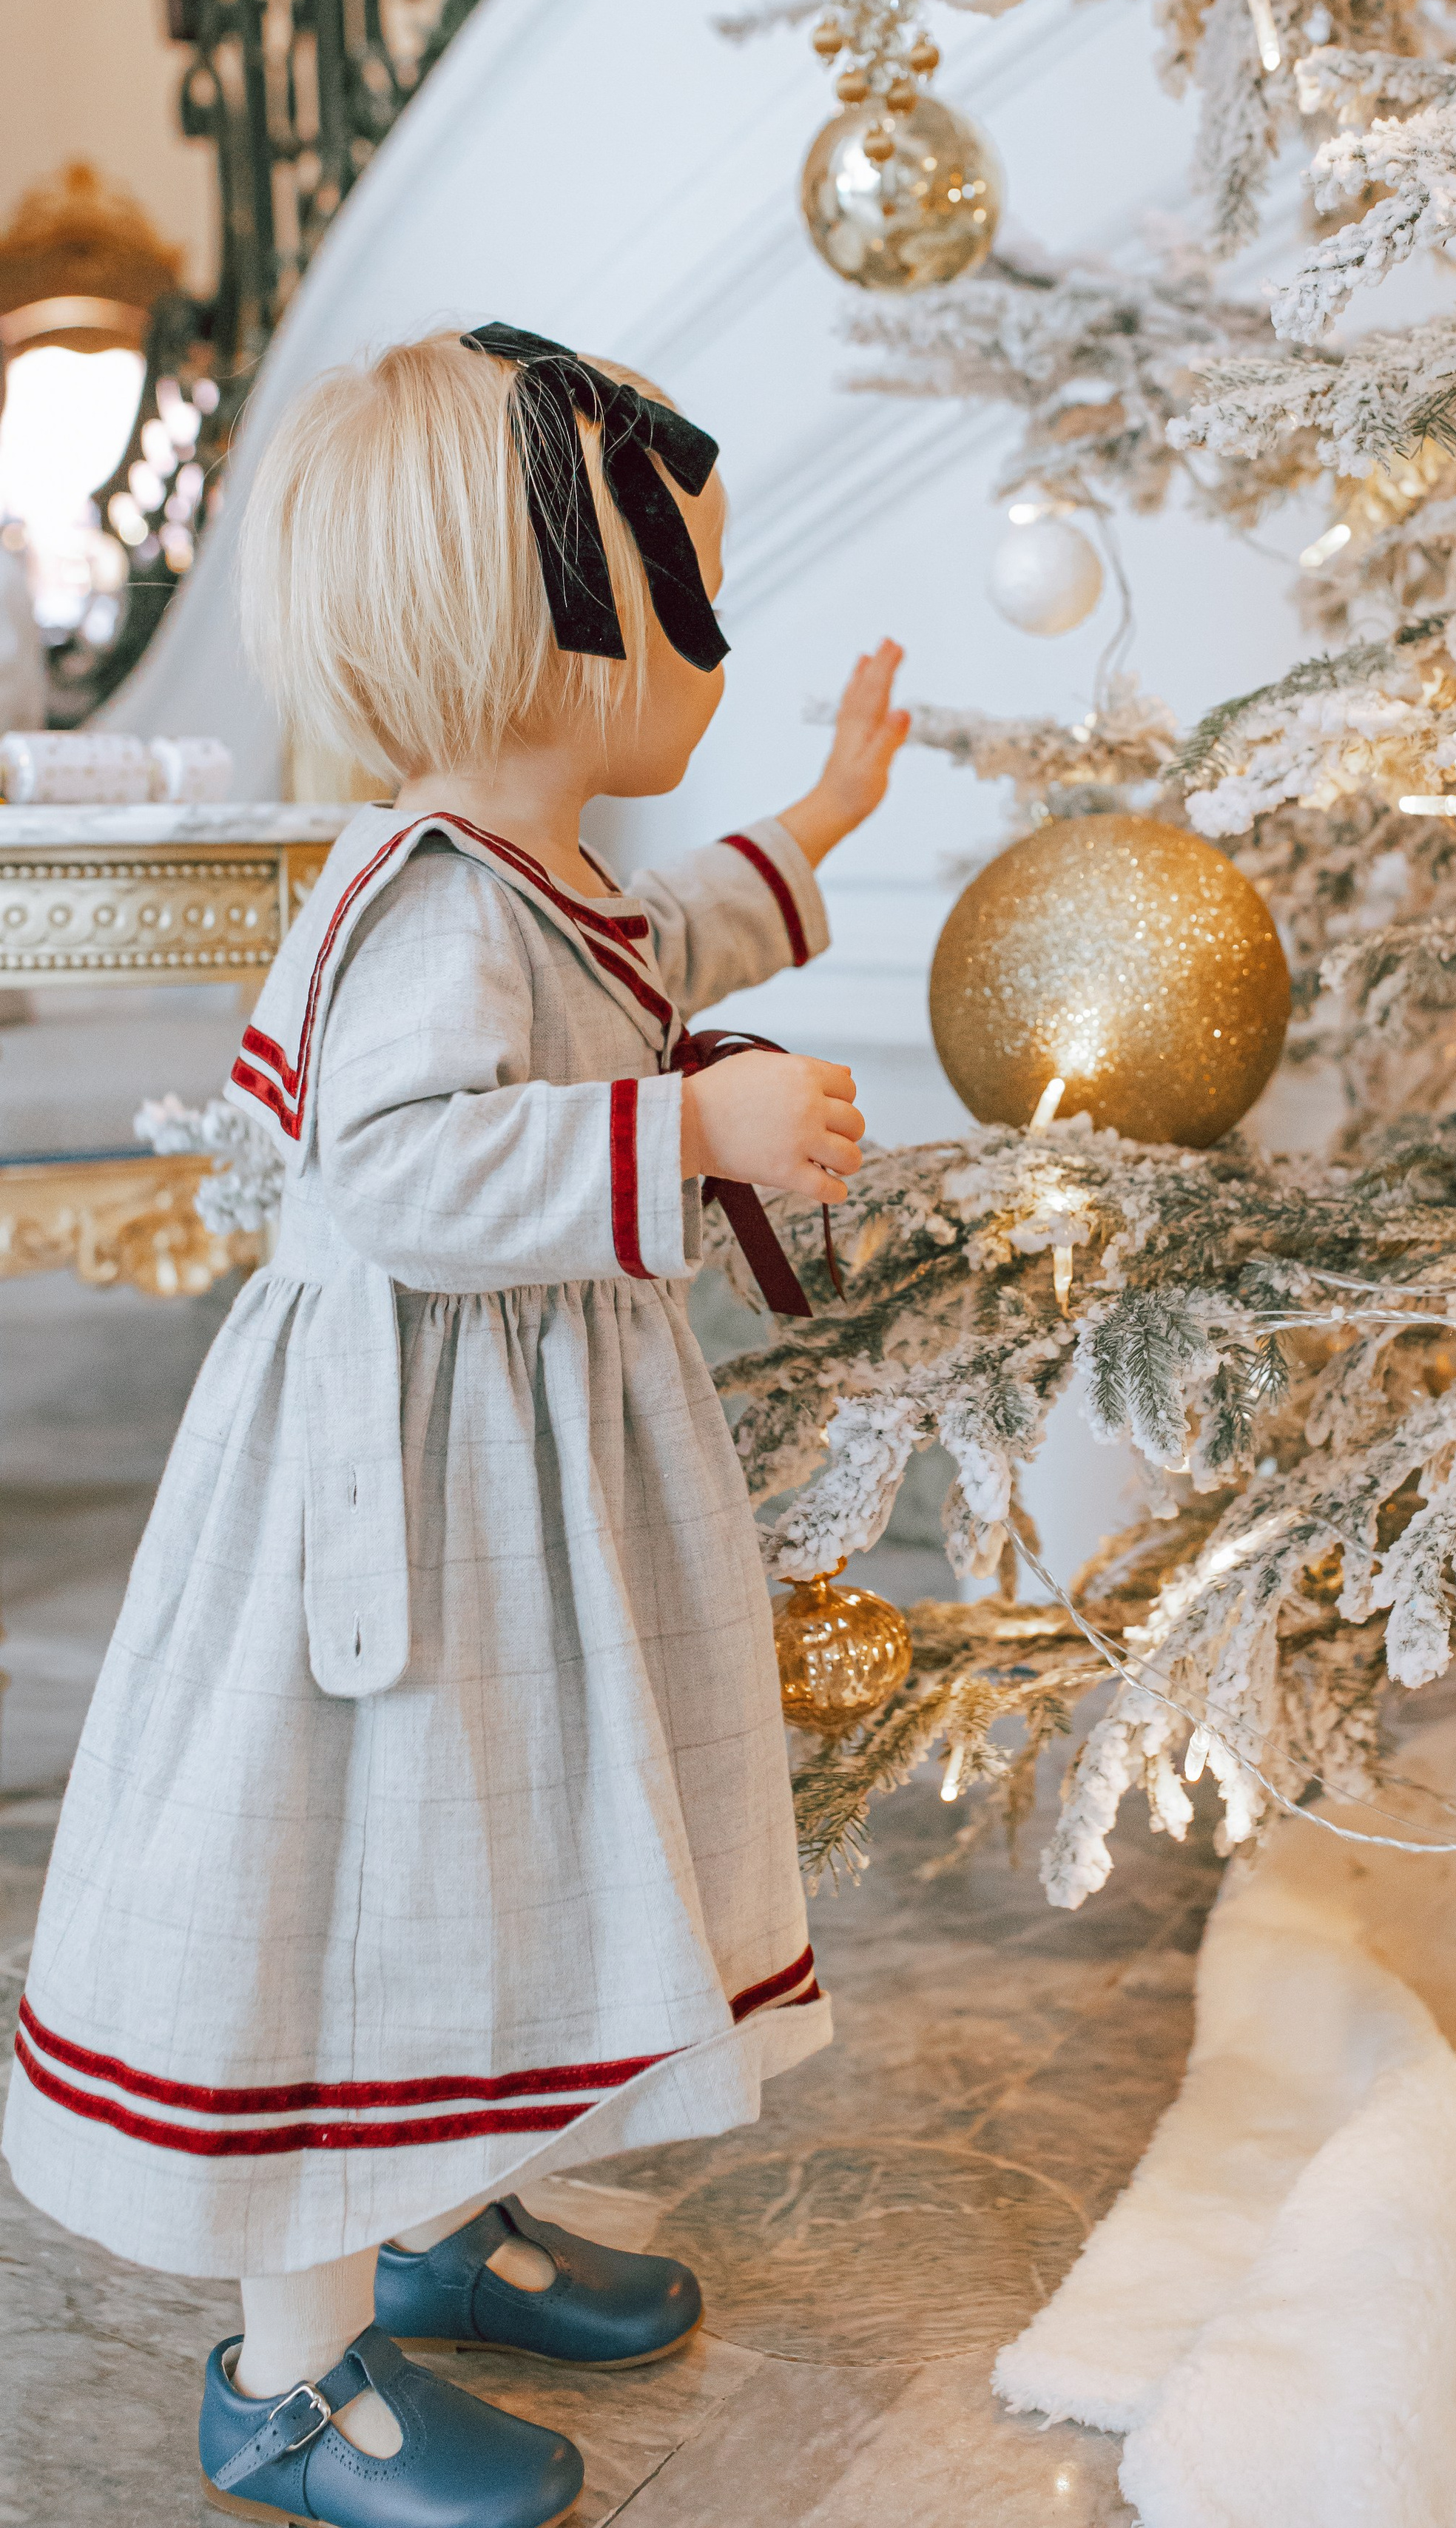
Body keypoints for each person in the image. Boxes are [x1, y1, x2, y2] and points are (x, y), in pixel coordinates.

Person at [3, 325, 909, 2527]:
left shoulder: (525, 870)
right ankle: (291, 2376)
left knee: (492, 1849)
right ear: (545, 633)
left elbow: (654, 933)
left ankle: (439, 2215)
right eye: (687, 599)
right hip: (394, 1514)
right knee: (361, 1872)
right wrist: (693, 1124)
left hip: (518, 1471)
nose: (715, 637)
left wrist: (809, 826)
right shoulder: (419, 898)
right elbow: (397, 1169)